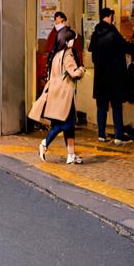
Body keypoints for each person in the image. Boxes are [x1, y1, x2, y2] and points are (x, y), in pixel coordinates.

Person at [29, 27, 85, 164]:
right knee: (63, 125)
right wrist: (82, 70)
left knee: (68, 125)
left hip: (57, 94)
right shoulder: (67, 54)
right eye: (72, 39)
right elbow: (74, 73)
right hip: (64, 96)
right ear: (67, 41)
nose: (74, 42)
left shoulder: (55, 54)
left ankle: (71, 155)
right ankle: (44, 144)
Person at [89, 8, 133, 145]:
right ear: (109, 16)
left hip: (100, 77)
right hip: (114, 76)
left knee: (101, 106)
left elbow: (93, 54)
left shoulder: (96, 33)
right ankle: (118, 136)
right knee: (116, 106)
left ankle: (101, 135)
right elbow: (125, 47)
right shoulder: (113, 32)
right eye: (112, 16)